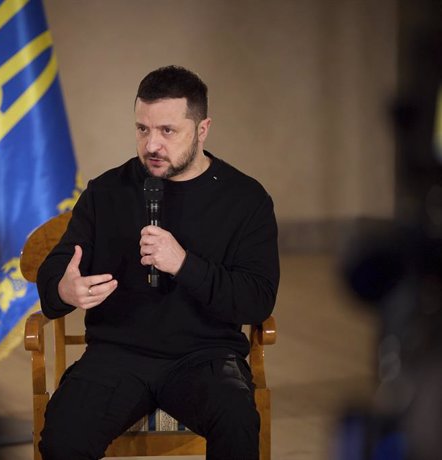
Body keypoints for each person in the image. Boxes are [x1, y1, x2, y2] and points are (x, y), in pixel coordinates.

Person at [36, 65, 279, 460]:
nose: (152, 145)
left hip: (205, 356)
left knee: (236, 424)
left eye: (167, 131)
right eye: (142, 129)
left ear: (202, 130)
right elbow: (58, 269)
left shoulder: (246, 200)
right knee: (63, 437)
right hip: (116, 355)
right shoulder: (106, 192)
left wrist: (185, 264)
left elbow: (257, 299)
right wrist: (66, 288)